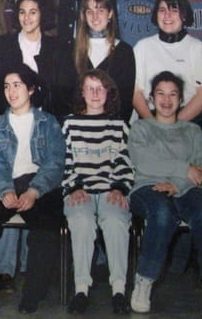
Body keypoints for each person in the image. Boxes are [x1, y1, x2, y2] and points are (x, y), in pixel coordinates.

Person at [0, 63, 65, 313]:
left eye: (17, 85)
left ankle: (32, 294)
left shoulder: (48, 122)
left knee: (46, 226)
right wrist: (5, 190)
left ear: (31, 89)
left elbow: (55, 164)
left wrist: (34, 191)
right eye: (7, 86)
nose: (11, 91)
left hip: (39, 185)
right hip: (6, 182)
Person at [128, 71, 202, 314]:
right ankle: (144, 281)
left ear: (181, 99)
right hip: (148, 187)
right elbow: (144, 162)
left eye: (173, 94)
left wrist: (178, 183)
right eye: (160, 94)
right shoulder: (140, 128)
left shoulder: (193, 131)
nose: (166, 100)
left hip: (188, 188)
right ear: (151, 98)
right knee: (162, 213)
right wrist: (183, 168)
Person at [62, 69, 133, 315]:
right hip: (79, 189)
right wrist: (74, 187)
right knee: (81, 220)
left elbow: (126, 162)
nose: (94, 93)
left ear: (108, 93)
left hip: (110, 190)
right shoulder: (69, 124)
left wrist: (119, 188)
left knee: (115, 220)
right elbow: (64, 161)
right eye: (89, 88)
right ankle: (81, 289)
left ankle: (119, 290)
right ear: (81, 93)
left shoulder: (119, 125)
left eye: (100, 88)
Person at [133, 0, 202, 123]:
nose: (167, 15)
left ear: (184, 15)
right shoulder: (142, 47)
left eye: (174, 10)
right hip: (150, 119)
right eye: (162, 10)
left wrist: (174, 125)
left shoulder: (198, 49)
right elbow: (135, 93)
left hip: (187, 120)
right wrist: (153, 123)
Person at [0, 0, 76, 122]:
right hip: (11, 118)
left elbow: (65, 91)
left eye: (33, 12)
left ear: (42, 14)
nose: (26, 18)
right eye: (22, 12)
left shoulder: (58, 48)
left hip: (48, 119)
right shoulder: (2, 45)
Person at [73, 0, 135, 123]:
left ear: (110, 14)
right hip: (77, 125)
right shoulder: (71, 50)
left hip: (112, 126)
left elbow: (126, 98)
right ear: (84, 16)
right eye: (89, 11)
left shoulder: (124, 51)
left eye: (100, 10)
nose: (95, 16)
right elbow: (65, 95)